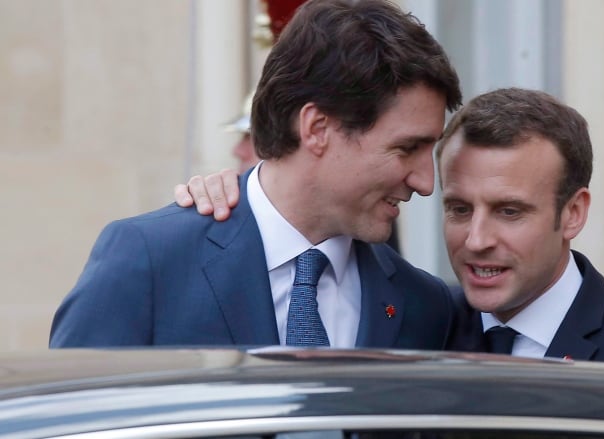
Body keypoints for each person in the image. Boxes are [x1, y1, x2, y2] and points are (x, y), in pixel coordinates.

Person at [179, 88, 604, 373]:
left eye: (510, 211)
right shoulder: (417, 322)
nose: (476, 239)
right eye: (459, 208)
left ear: (573, 213)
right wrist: (239, 196)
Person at [50, 0, 479, 351]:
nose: (426, 182)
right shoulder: (150, 262)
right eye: (407, 148)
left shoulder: (424, 306)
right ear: (317, 129)